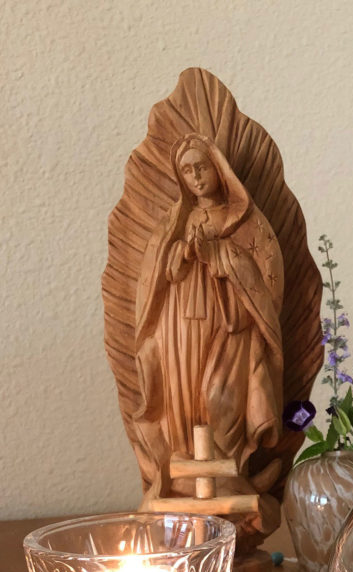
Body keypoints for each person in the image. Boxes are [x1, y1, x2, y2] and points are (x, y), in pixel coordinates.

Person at [133, 133, 284, 489]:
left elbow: (268, 278)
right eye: (186, 171)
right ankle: (187, 480)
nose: (196, 176)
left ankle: (231, 480)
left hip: (230, 323)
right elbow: (157, 272)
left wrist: (218, 255)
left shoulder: (246, 219)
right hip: (181, 322)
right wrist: (180, 255)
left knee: (219, 395)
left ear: (217, 168)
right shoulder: (176, 220)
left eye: (201, 166)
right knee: (184, 401)